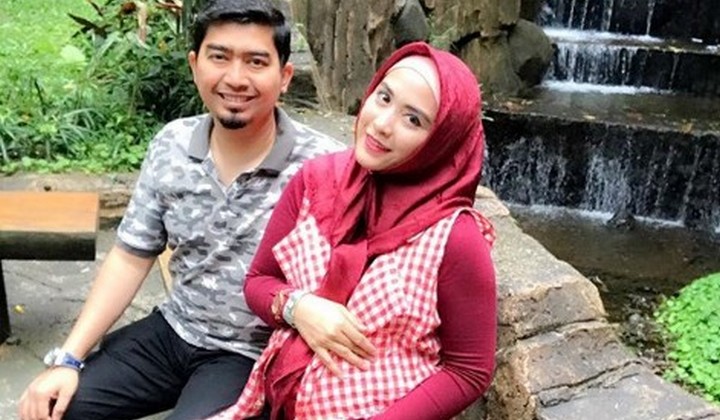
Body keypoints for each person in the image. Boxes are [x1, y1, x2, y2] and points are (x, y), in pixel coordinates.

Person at [18, 0, 344, 419]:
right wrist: (68, 358)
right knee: (53, 407)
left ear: (284, 77)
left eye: (256, 61)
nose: (235, 78)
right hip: (175, 329)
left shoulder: (325, 166)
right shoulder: (172, 144)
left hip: (249, 352)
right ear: (194, 65)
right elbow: (131, 255)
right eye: (219, 57)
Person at [212, 41, 497, 420]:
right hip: (276, 399)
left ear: (441, 140)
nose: (381, 124)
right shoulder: (317, 181)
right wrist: (301, 308)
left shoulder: (455, 237)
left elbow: (469, 370)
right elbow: (259, 281)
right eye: (384, 98)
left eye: (413, 120)